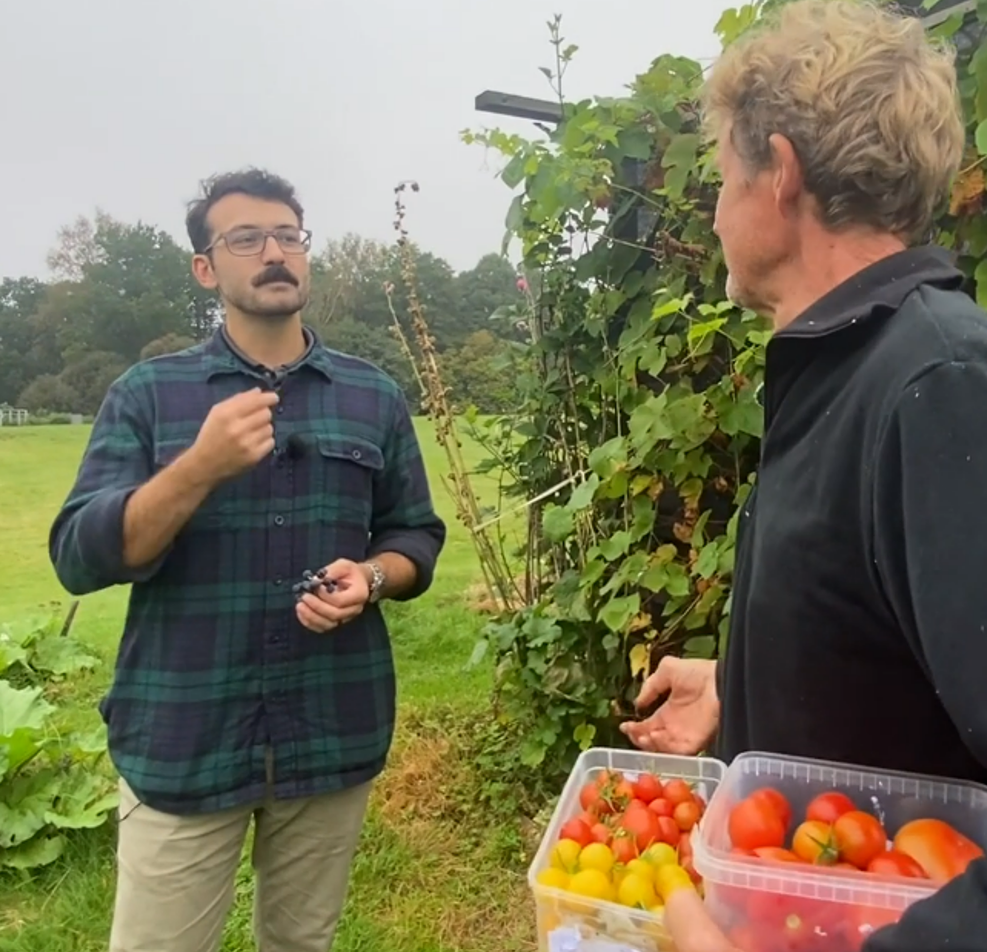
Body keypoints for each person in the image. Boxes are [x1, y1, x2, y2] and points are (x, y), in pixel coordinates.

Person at [619, 1, 987, 949]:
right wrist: (749, 687)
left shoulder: (939, 388)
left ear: (778, 172)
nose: (712, 210)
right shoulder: (855, 368)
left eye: (721, 176)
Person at [48, 168, 447, 952]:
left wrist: (369, 579)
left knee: (302, 944)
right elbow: (78, 557)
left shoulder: (372, 396)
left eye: (288, 236)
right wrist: (197, 467)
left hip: (330, 732)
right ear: (206, 267)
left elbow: (415, 536)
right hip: (184, 738)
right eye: (246, 239)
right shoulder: (149, 395)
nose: (274, 253)